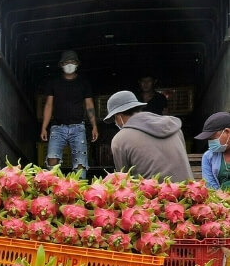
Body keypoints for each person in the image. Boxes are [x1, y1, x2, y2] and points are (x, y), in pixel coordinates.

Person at [104, 90, 193, 181]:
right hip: (189, 188)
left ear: (118, 116)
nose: (115, 122)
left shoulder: (120, 139)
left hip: (153, 190)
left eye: (114, 119)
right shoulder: (173, 126)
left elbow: (123, 179)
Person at [40, 50, 99, 178]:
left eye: (72, 62)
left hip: (78, 127)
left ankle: (80, 188)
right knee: (52, 160)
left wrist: (94, 126)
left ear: (77, 64)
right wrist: (44, 127)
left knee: (80, 164)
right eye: (66, 62)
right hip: (57, 127)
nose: (69, 65)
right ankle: (52, 187)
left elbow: (89, 105)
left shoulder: (83, 83)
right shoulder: (54, 83)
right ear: (61, 65)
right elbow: (49, 105)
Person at [195, 111, 230, 189]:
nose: (210, 142)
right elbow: (210, 186)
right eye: (209, 139)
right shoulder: (208, 157)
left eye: (212, 138)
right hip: (220, 196)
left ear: (227, 132)